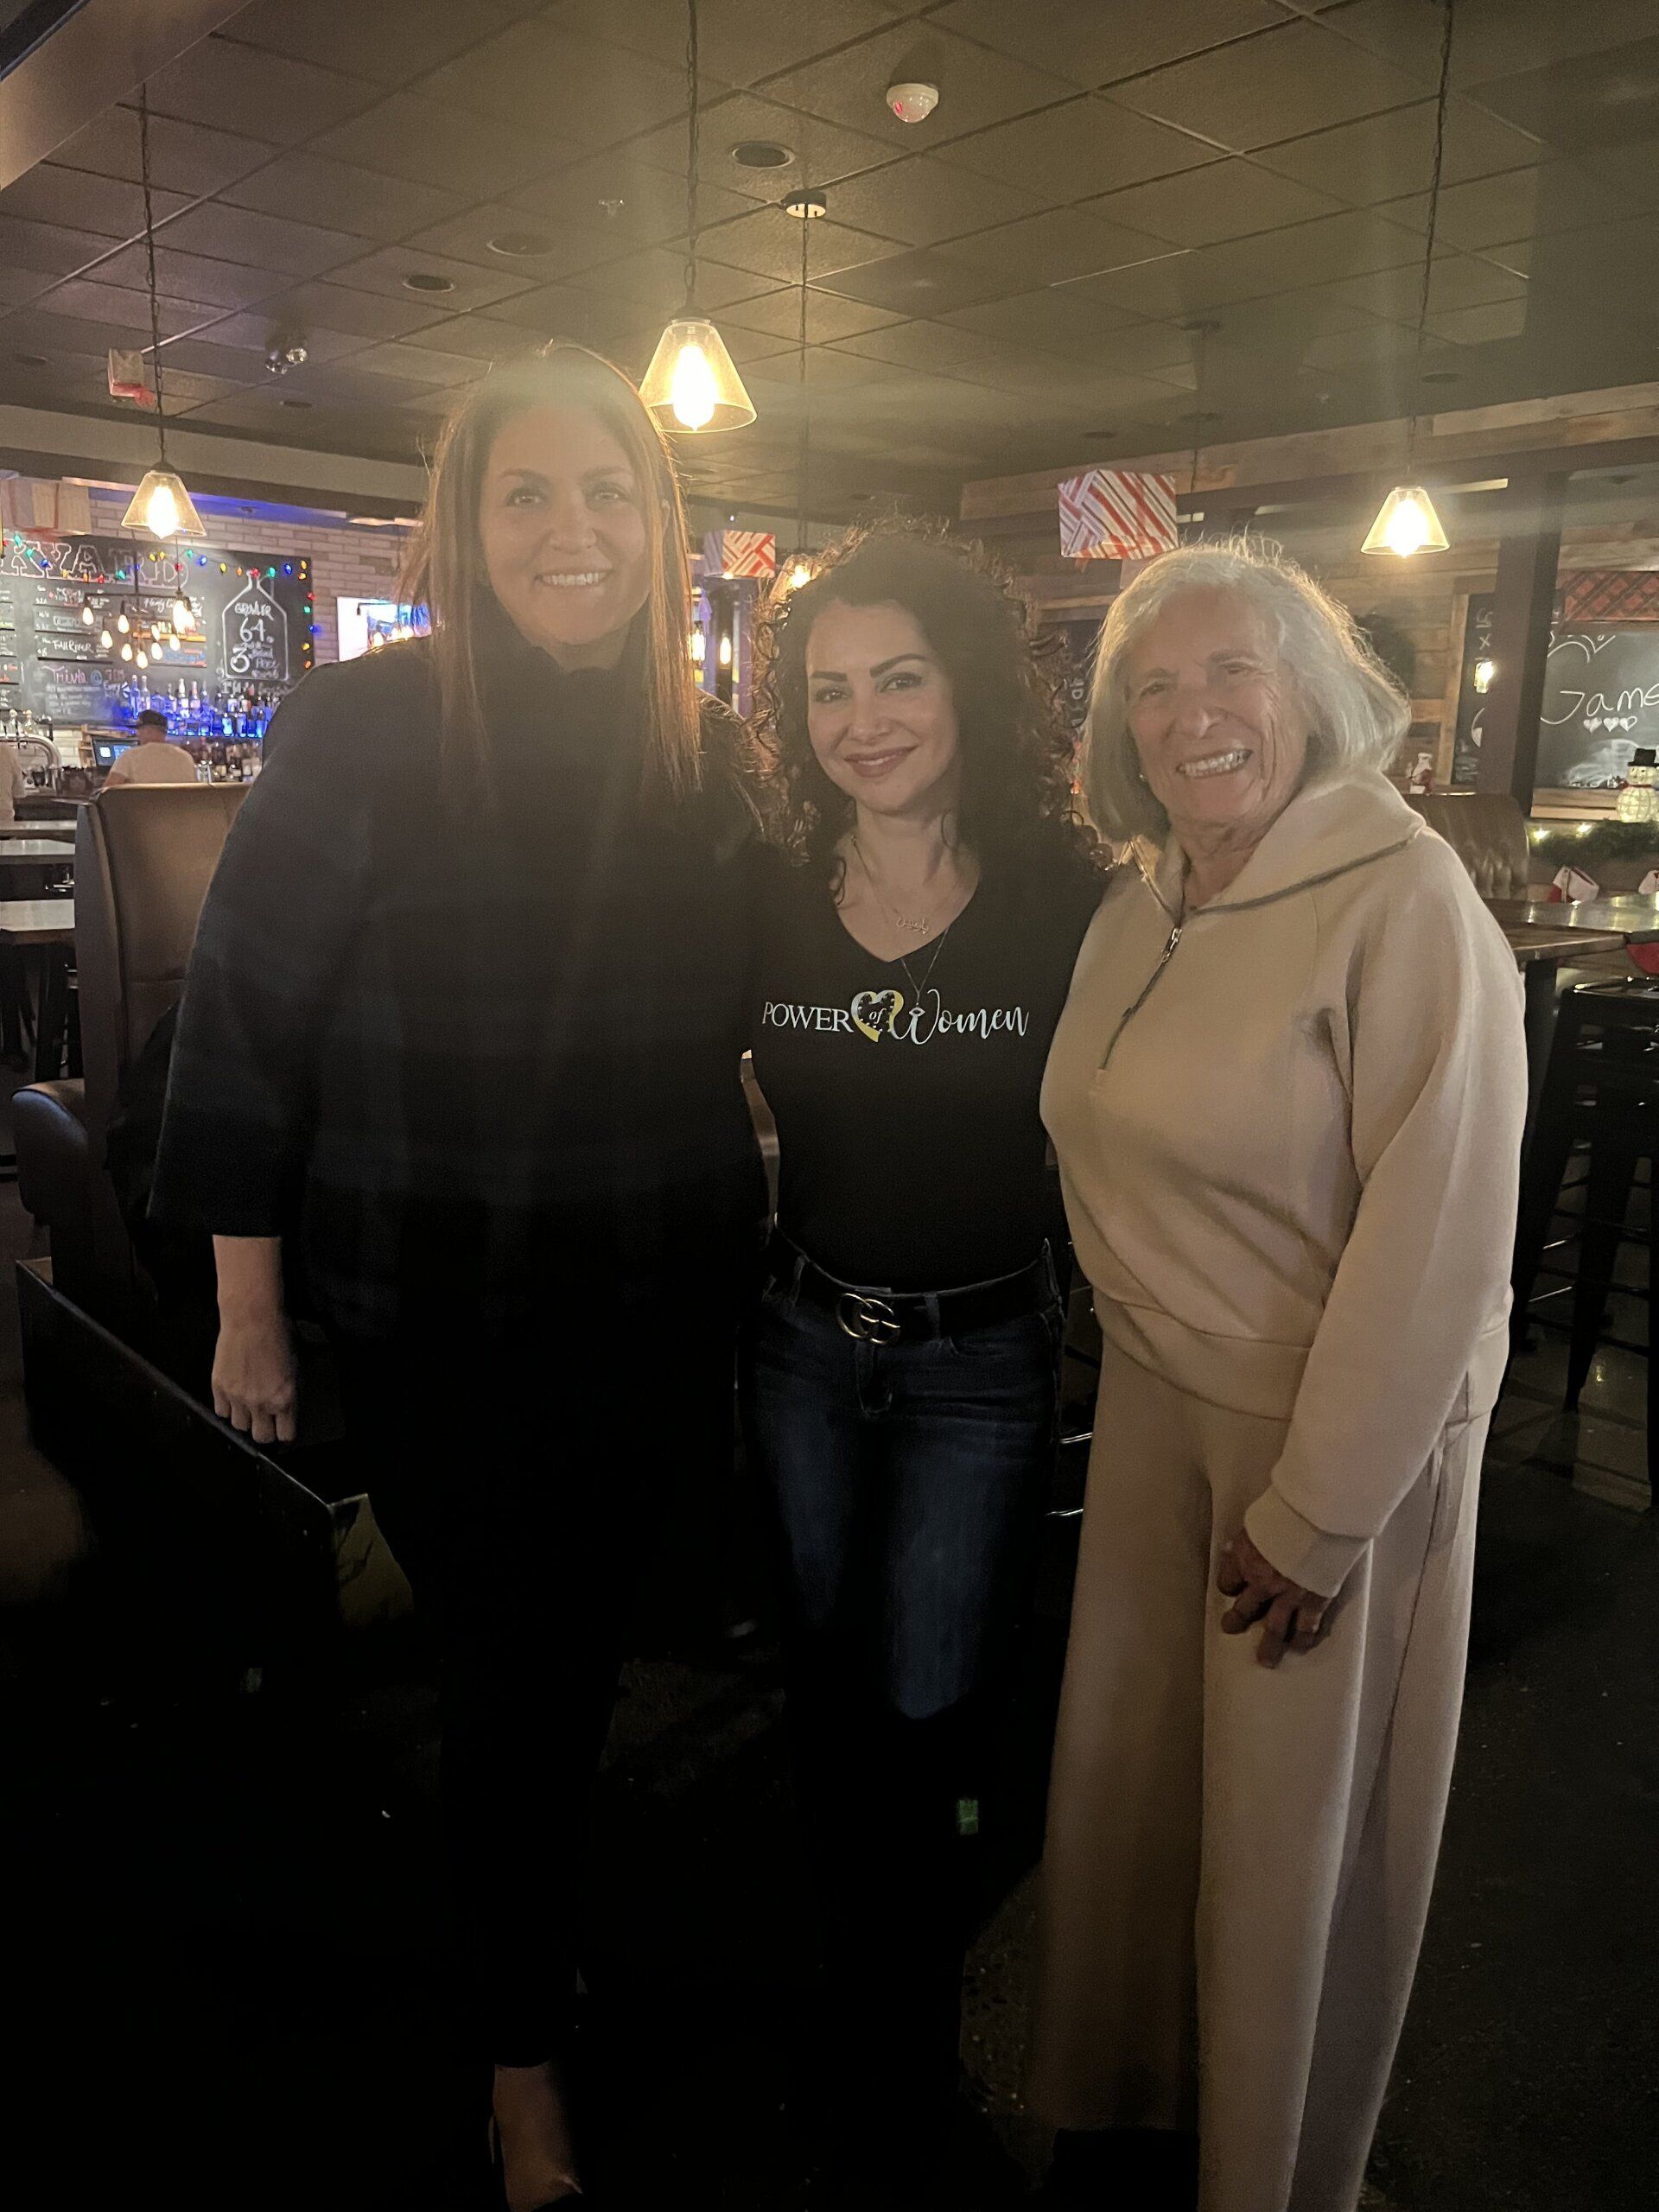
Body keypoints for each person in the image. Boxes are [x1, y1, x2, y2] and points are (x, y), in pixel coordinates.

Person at [150, 345, 766, 2210]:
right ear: (466, 524)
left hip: (660, 1297)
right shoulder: (365, 725)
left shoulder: (701, 748)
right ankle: (519, 2058)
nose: (575, 530)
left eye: (610, 493)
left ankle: (541, 1941)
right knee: (515, 1677)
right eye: (529, 494)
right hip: (441, 1313)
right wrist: (247, 1309)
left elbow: (770, 993)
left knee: (573, 1666)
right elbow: (242, 1024)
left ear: (660, 521)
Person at [1030, 542, 1527, 2212]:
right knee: (1138, 1816)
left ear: (1308, 689)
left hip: (1320, 1438)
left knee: (1283, 1847)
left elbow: (1443, 1232)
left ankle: (1268, 2173)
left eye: (1230, 671)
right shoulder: (1140, 900)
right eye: (1154, 687)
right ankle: (1142, 2126)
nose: (1194, 715)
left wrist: (1319, 1510)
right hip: (1153, 1412)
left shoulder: (1404, 897)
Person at [744, 525, 1104, 2181]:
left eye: (899, 679)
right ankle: (847, 2002)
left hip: (982, 1362)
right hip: (802, 1344)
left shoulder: (1071, 901)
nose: (864, 721)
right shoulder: (764, 890)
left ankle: (914, 2031)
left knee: (942, 1711)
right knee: (825, 1692)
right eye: (830, 691)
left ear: (968, 688)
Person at [102, 707, 198, 785]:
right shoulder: (185, 758)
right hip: (178, 804)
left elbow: (108, 793)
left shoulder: (129, 757)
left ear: (148, 731)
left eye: (139, 730)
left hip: (141, 804)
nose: (137, 734)